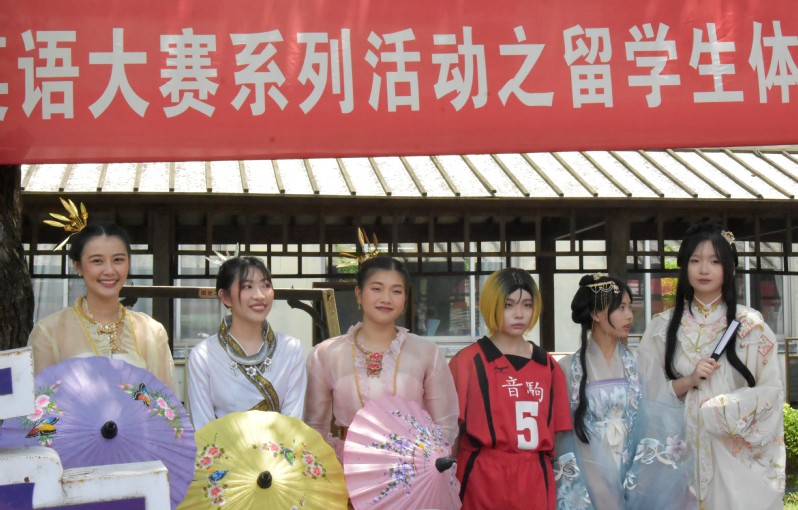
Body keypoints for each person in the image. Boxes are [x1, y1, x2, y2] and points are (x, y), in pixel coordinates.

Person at [635, 221, 785, 509]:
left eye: (714, 261)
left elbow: (771, 392)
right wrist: (687, 382)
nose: (704, 269)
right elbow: (643, 394)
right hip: (676, 455)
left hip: (731, 459)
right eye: (695, 261)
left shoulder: (751, 327)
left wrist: (723, 410)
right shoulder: (660, 328)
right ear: (684, 267)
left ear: (728, 268)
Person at [304, 256, 459, 457]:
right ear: (359, 294)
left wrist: (427, 462)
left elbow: (445, 424)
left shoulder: (427, 352)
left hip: (410, 465)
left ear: (405, 298)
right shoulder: (327, 354)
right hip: (347, 464)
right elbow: (314, 426)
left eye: (396, 291)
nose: (386, 298)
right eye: (376, 289)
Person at [449, 268, 572, 510]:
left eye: (527, 305)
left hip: (534, 477)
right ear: (491, 305)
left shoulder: (548, 366)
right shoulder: (467, 362)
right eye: (508, 305)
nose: (519, 314)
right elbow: (451, 431)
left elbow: (559, 435)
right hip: (481, 475)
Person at [29, 217, 177, 395]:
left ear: (128, 263)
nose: (109, 270)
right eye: (97, 261)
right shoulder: (49, 332)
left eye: (118, 260)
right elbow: (37, 402)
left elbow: (166, 404)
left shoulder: (152, 331)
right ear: (78, 266)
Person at [187, 256, 306, 430]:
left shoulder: (291, 349)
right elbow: (203, 427)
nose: (260, 295)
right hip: (221, 447)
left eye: (266, 285)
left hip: (281, 447)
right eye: (248, 287)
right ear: (225, 297)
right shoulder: (203, 355)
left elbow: (293, 424)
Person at [554, 274, 637, 508]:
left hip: (631, 465)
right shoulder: (567, 368)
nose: (629, 315)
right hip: (588, 467)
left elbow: (654, 417)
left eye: (630, 307)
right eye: (620, 308)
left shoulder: (640, 363)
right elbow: (564, 434)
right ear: (596, 314)